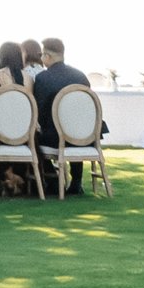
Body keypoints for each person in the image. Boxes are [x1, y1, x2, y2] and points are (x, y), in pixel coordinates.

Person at [31, 36, 99, 193]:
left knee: (32, 138)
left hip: (56, 137)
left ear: (47, 56)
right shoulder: (80, 76)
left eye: (42, 54)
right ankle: (76, 182)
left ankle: (52, 180)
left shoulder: (43, 78)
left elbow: (39, 113)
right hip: (86, 136)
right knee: (74, 128)